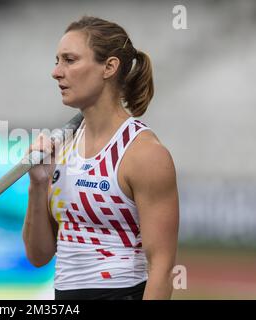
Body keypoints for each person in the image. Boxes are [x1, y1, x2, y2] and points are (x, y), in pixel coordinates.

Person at [22, 16, 179, 300]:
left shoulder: (144, 154)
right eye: (57, 60)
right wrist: (37, 185)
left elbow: (162, 268)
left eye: (69, 60)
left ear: (109, 67)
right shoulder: (63, 147)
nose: (56, 72)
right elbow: (38, 255)